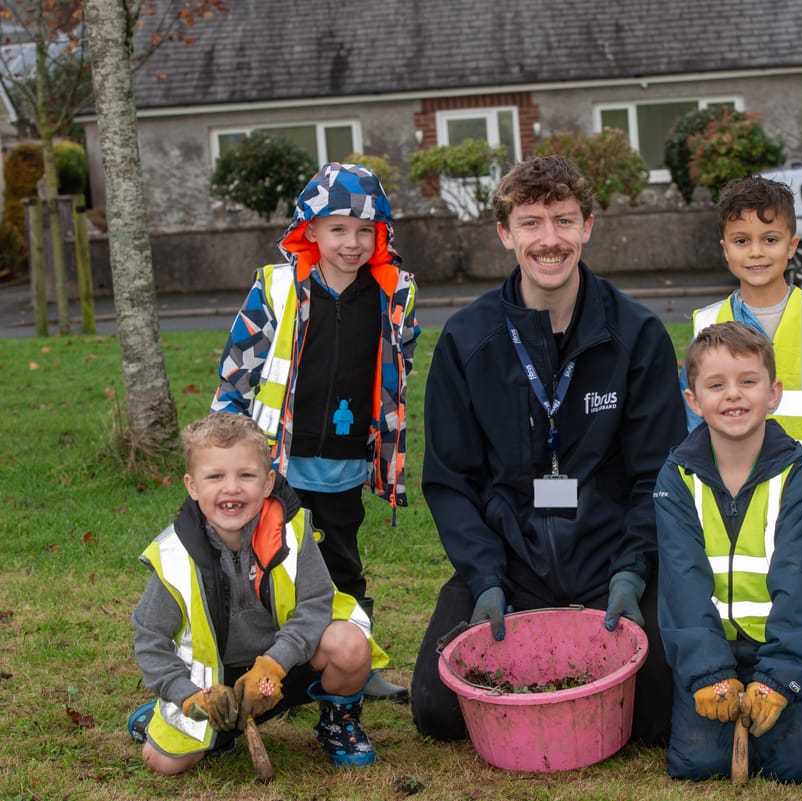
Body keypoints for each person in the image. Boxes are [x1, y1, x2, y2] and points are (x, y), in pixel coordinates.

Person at [411, 155, 686, 745]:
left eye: (563, 221)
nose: (549, 240)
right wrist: (485, 577)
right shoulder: (467, 340)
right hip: (510, 566)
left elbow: (658, 476)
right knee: (437, 710)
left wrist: (633, 569)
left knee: (659, 715)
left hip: (611, 564)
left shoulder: (637, 335)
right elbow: (451, 480)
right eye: (531, 223)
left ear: (588, 227)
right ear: (505, 233)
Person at [211, 161, 417, 700]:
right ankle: (269, 664)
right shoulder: (278, 289)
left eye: (365, 230)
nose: (352, 242)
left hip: (346, 462)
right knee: (273, 562)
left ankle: (356, 662)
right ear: (311, 230)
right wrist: (223, 448)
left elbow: (401, 366)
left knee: (343, 566)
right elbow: (238, 368)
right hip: (281, 463)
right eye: (338, 228)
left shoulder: (391, 295)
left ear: (381, 235)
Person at [128, 413, 388, 774]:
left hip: (283, 666)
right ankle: (195, 721)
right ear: (192, 486)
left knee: (349, 644)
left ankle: (338, 722)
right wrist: (187, 696)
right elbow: (150, 638)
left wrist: (272, 666)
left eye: (246, 475)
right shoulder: (174, 554)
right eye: (215, 477)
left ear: (267, 483)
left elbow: (316, 606)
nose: (231, 488)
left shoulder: (293, 532)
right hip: (215, 686)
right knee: (162, 763)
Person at [654, 322, 802, 783]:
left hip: (775, 646)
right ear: (693, 400)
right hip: (712, 646)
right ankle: (716, 695)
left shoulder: (797, 475)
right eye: (716, 385)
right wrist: (706, 674)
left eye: (748, 381)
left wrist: (780, 678)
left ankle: (792, 700)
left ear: (773, 393)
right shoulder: (676, 479)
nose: (733, 395)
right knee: (699, 765)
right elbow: (681, 585)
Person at [683, 175, 802, 465]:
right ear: (725, 249)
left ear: (792, 246)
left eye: (770, 240)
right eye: (741, 241)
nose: (756, 252)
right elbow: (695, 424)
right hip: (732, 482)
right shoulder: (707, 323)